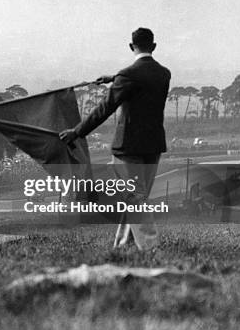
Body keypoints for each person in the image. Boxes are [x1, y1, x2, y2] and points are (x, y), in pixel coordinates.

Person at [59, 27, 171, 250]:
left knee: (135, 198)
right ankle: (123, 246)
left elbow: (105, 108)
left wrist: (77, 132)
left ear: (131, 46)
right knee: (138, 197)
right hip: (153, 145)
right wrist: (115, 78)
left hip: (128, 147)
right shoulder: (164, 73)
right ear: (154, 46)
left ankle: (151, 249)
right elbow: (143, 82)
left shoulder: (128, 76)